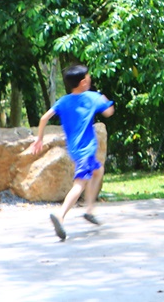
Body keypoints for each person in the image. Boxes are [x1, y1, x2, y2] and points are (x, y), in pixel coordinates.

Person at [30, 63, 115, 241]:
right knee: (79, 184)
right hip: (85, 151)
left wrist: (39, 138)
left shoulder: (64, 101)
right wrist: (106, 100)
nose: (90, 79)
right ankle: (60, 215)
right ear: (84, 81)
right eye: (89, 76)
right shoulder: (92, 97)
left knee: (98, 170)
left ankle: (89, 210)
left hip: (76, 150)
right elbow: (109, 112)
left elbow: (44, 117)